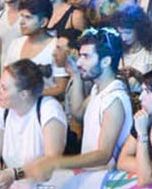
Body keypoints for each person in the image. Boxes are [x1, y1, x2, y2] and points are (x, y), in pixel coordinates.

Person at [48, 27, 132, 176]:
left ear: (106, 61)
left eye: (86, 56)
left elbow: (103, 155)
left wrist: (60, 162)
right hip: (92, 179)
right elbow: (78, 113)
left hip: (107, 185)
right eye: (80, 56)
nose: (79, 62)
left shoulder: (114, 99)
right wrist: (76, 74)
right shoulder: (98, 89)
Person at [0, 59, 68, 189]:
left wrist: (14, 174)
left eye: (4, 88)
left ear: (23, 94)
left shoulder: (49, 109)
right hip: (14, 188)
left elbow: (51, 162)